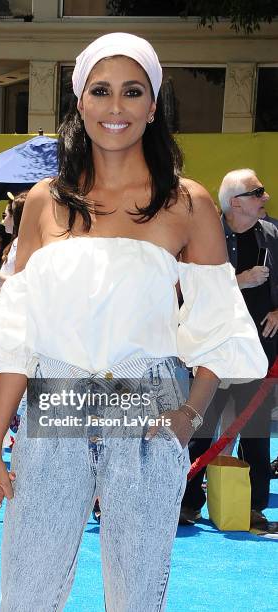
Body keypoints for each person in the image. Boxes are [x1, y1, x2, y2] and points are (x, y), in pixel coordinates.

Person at [0, 33, 267, 611]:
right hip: (52, 411)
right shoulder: (42, 202)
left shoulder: (187, 203)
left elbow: (218, 323)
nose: (115, 107)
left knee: (136, 595)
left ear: (153, 106)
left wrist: (190, 414)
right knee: (26, 592)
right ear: (79, 102)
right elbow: (17, 338)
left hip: (149, 418)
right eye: (100, 91)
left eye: (132, 92)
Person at [181, 169, 278, 531]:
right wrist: (239, 281)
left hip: (258, 356)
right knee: (200, 427)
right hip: (213, 353)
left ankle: (253, 508)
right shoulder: (205, 235)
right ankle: (187, 502)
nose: (265, 198)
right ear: (235, 202)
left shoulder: (274, 236)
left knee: (255, 433)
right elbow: (190, 290)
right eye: (258, 192)